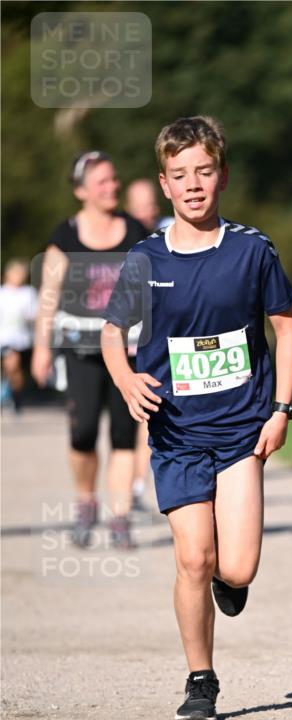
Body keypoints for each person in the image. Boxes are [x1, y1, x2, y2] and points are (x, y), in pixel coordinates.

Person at [101, 116, 292, 720]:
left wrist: (282, 409)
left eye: (204, 172)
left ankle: (229, 582)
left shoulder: (251, 249)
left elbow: (286, 327)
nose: (194, 185)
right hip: (177, 432)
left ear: (222, 176)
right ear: (164, 185)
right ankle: (200, 679)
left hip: (242, 429)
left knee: (234, 566)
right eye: (181, 175)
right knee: (193, 558)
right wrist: (127, 377)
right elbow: (114, 335)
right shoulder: (145, 257)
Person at [31, 152, 149, 548]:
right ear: (82, 191)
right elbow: (48, 298)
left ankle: (119, 518)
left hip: (128, 350)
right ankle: (86, 501)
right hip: (79, 349)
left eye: (114, 179)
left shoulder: (136, 231)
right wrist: (41, 349)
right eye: (102, 181)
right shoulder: (64, 236)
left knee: (123, 435)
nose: (112, 186)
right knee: (82, 432)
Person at [124, 178, 174, 512]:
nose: (148, 210)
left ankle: (139, 485)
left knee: (148, 417)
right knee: (126, 423)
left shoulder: (172, 230)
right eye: (140, 205)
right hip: (126, 344)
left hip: (163, 343)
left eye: (151, 203)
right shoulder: (122, 238)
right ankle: (132, 485)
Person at [0, 259, 38, 414]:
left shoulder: (28, 293)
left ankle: (14, 397)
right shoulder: (2, 293)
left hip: (20, 338)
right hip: (4, 336)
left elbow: (34, 315)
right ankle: (8, 395)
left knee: (14, 368)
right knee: (11, 364)